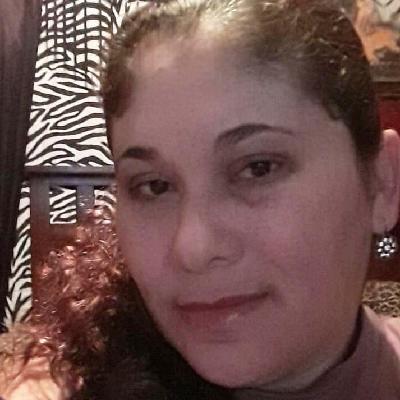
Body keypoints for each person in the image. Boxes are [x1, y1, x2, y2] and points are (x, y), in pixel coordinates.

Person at [1, 0, 400, 399]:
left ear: (382, 183)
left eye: (258, 168)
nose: (193, 248)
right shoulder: (61, 386)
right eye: (154, 186)